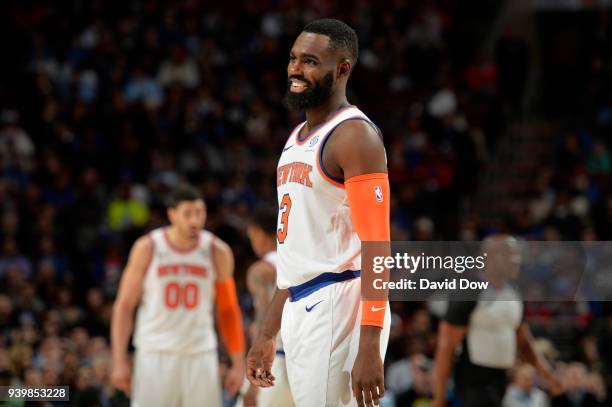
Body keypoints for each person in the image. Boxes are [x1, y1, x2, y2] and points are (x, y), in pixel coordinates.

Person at [246, 18, 391, 407]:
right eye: (294, 58)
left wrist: (369, 343)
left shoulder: (354, 137)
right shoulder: (297, 138)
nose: (295, 69)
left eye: (310, 61)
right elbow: (295, 252)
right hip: (301, 302)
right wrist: (268, 331)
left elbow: (377, 247)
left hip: (338, 304)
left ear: (342, 69)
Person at [110, 185, 245, 407]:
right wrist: (119, 360)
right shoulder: (148, 247)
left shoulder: (217, 251)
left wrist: (238, 362)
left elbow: (228, 309)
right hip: (155, 352)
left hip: (200, 353)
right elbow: (124, 306)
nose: (194, 220)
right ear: (172, 215)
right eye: (187, 214)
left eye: (199, 213)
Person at [433, 234, 560, 407]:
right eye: (510, 254)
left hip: (501, 380)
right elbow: (446, 347)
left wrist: (547, 374)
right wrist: (439, 398)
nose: (517, 259)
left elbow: (524, 343)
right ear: (490, 257)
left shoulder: (513, 293)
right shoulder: (469, 291)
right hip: (473, 383)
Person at [238, 207, 294, 406]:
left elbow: (263, 319)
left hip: (273, 361)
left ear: (260, 233)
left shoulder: (260, 271)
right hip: (304, 359)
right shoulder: (299, 261)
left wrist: (253, 384)